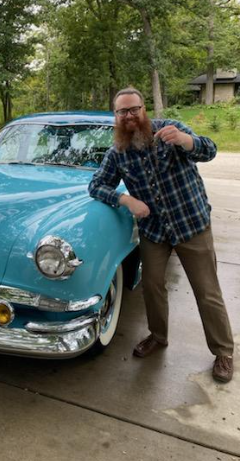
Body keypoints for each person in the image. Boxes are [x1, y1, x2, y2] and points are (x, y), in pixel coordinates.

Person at [88, 86, 234, 383]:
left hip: (191, 224)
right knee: (152, 286)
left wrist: (186, 141)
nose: (129, 116)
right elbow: (96, 185)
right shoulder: (118, 153)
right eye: (122, 111)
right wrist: (125, 200)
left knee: (207, 291)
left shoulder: (171, 131)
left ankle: (223, 351)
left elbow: (210, 149)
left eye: (134, 109)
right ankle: (158, 336)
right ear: (115, 116)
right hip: (155, 231)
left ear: (144, 110)